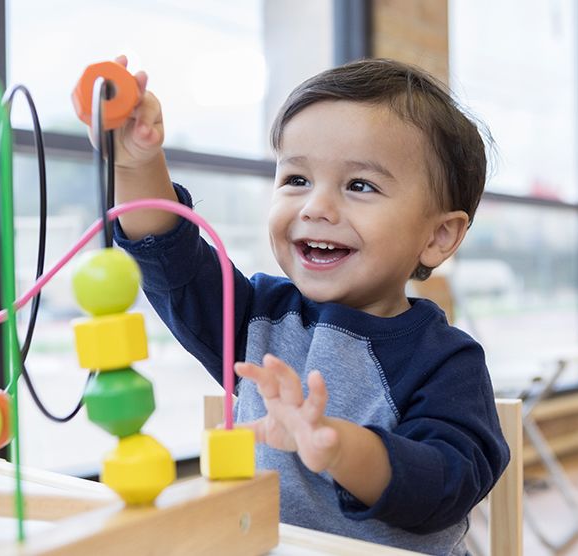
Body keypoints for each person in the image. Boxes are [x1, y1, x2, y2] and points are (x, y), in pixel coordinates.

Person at [79, 55, 509, 555]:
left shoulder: (446, 361)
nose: (316, 207)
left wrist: (337, 445)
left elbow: (445, 487)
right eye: (297, 180)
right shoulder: (258, 316)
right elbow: (172, 257)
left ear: (437, 236)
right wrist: (137, 163)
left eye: (360, 186)